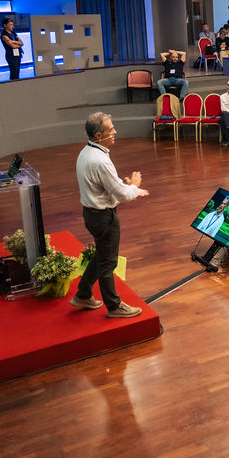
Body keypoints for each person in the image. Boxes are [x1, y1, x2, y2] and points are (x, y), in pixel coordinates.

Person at [73, 112, 148, 318]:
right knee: (108, 263)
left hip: (91, 214)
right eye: (111, 129)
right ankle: (114, 307)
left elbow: (107, 187)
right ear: (98, 135)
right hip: (103, 217)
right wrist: (133, 187)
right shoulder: (100, 161)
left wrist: (125, 186)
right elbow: (122, 195)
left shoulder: (86, 152)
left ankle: (83, 294)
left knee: (101, 255)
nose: (115, 131)